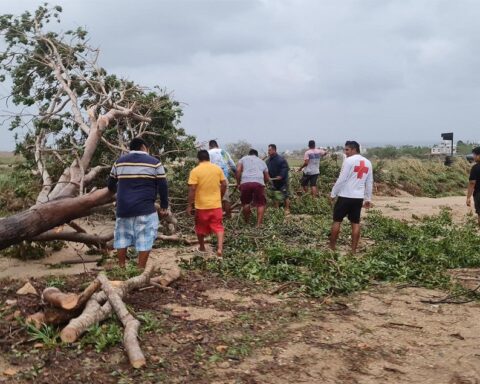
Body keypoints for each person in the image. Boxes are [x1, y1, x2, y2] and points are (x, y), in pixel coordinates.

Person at [108, 137, 168, 269]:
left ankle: (122, 267)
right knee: (145, 239)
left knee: (122, 238)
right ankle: (140, 269)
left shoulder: (119, 162)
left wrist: (119, 195)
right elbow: (163, 186)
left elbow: (110, 185)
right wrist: (164, 206)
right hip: (145, 209)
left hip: (123, 209)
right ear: (143, 147)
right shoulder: (155, 163)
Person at [329, 141, 373, 253]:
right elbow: (369, 182)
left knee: (337, 221)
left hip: (345, 196)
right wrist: (368, 198)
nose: (345, 152)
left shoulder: (349, 161)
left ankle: (332, 248)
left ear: (354, 150)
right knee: (355, 223)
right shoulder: (368, 162)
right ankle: (353, 250)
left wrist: (333, 193)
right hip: (358, 198)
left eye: (347, 150)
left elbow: (341, 179)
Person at [187, 150, 227, 256]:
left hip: (201, 206)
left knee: (200, 228)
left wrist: (189, 205)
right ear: (209, 158)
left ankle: (202, 247)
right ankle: (220, 249)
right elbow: (224, 184)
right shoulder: (217, 169)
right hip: (216, 205)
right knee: (218, 227)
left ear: (198, 159)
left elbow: (192, 189)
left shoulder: (195, 171)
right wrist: (220, 196)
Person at [236, 149, 270, 227]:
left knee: (246, 203)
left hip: (245, 182)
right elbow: (267, 178)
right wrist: (263, 183)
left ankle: (247, 223)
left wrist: (238, 183)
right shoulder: (262, 162)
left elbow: (238, 170)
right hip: (258, 183)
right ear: (257, 155)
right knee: (261, 204)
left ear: (249, 154)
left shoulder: (243, 159)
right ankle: (258, 225)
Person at [208, 140, 237, 218]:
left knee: (213, 198)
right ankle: (228, 217)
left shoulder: (209, 153)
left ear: (210, 146)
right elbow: (233, 167)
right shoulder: (224, 152)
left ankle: (214, 217)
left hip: (212, 178)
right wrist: (238, 179)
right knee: (226, 198)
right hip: (224, 178)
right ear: (217, 145)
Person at [266, 144, 290, 214]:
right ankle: (276, 209)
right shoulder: (268, 161)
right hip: (273, 181)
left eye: (270, 150)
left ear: (274, 150)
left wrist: (281, 176)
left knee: (285, 195)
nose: (268, 152)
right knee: (275, 195)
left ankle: (287, 209)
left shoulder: (281, 159)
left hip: (282, 181)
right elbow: (266, 170)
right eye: (268, 150)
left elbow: (285, 168)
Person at [467, 147, 480, 227]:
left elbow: (472, 183)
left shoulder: (475, 168)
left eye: (475, 155)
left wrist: (468, 197)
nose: (474, 157)